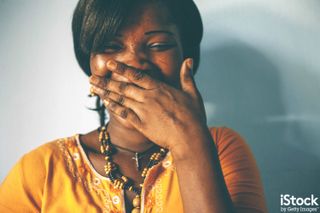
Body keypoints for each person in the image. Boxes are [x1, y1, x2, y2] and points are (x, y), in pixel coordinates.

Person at [0, 0, 267, 212]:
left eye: (159, 45)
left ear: (188, 59)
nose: (134, 62)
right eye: (110, 46)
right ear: (89, 64)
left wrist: (189, 141)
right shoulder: (41, 170)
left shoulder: (221, 148)